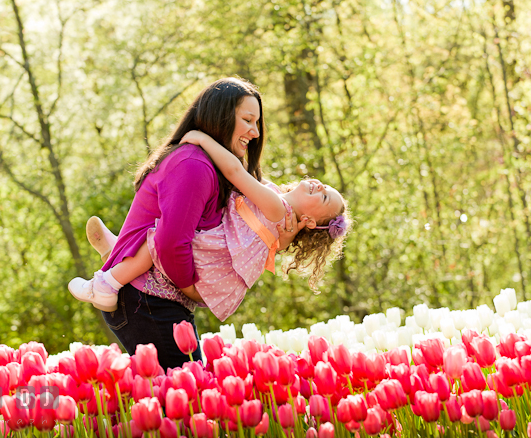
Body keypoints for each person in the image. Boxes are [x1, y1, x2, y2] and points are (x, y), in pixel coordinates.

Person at [69, 78, 298, 369]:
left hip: (158, 300)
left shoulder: (211, 166)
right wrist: (191, 288)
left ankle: (117, 253)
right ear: (221, 116)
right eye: (248, 120)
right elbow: (169, 244)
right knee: (184, 402)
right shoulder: (194, 166)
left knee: (182, 398)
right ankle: (114, 267)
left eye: (257, 123)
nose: (255, 132)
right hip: (148, 300)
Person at [72, 130, 351, 325]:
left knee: (159, 239)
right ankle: (118, 250)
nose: (320, 186)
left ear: (311, 222)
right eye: (327, 187)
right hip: (220, 250)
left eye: (324, 197)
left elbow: (235, 172)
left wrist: (200, 138)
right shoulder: (280, 212)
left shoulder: (277, 208)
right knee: (162, 235)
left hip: (216, 259)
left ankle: (107, 285)